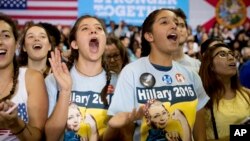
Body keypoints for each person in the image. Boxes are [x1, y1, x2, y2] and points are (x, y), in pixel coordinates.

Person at [105, 8, 209, 141]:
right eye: (165, 22)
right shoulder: (131, 72)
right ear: (149, 36)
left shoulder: (191, 75)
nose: (174, 26)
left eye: (176, 23)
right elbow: (124, 133)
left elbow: (200, 134)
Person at [45, 15, 117, 141]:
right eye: (85, 29)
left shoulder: (119, 81)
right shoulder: (54, 80)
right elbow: (51, 137)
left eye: (99, 28)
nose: (93, 31)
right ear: (75, 44)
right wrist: (65, 91)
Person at [0, 14, 48, 140]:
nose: (0, 41)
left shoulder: (32, 78)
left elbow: (37, 137)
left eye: (6, 35)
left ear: (16, 44)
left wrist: (15, 124)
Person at [195, 43, 250, 140]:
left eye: (231, 54)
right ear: (210, 65)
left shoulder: (247, 94)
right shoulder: (202, 102)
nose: (231, 57)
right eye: (222, 54)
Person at [172, 8, 201, 73]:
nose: (179, 29)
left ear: (187, 32)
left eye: (182, 25)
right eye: (175, 25)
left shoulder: (198, 66)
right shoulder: (151, 64)